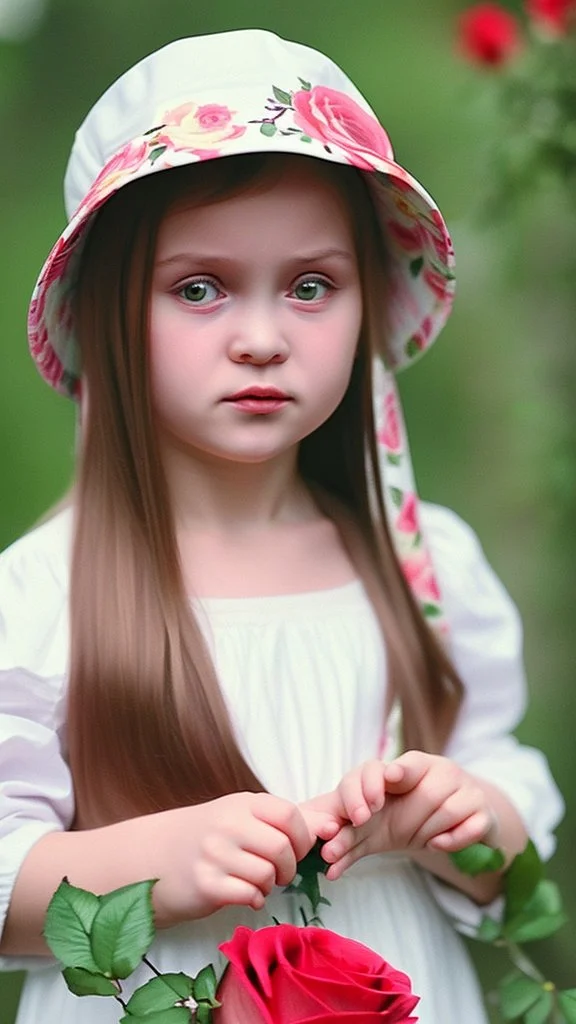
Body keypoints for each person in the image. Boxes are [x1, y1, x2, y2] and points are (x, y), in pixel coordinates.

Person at [0, 28, 563, 1024]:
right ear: (108, 313)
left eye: (310, 286)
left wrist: (464, 820)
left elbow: (510, 807)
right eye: (199, 288)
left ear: (369, 305)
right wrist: (157, 863)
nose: (261, 337)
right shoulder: (44, 595)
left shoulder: (423, 563)